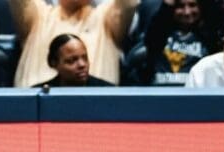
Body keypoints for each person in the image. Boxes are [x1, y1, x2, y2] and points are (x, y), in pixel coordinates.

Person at [9, 0, 138, 87]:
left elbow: (127, 4)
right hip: (35, 112)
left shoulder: (106, 19)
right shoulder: (38, 16)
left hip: (98, 113)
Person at [139, 0, 224, 85]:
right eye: (180, 6)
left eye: (192, 5)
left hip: (194, 93)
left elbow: (216, 20)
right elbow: (150, 39)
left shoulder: (209, 36)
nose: (187, 12)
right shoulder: (159, 34)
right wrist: (167, 6)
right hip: (158, 92)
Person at [36, 33, 112, 87]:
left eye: (85, 58)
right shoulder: (40, 93)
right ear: (54, 64)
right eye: (72, 61)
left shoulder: (108, 92)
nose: (82, 65)